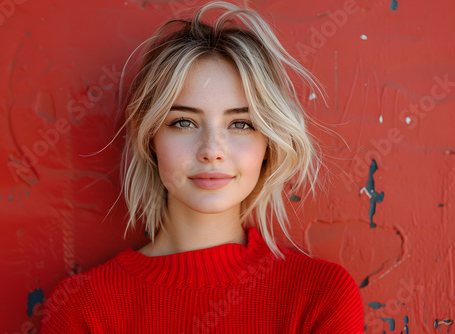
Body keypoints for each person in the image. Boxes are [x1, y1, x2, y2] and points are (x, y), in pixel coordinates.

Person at [41, 1, 364, 333]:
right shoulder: (83, 305)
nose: (212, 151)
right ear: (149, 135)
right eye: (183, 122)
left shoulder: (321, 295)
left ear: (268, 143)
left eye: (241, 124)